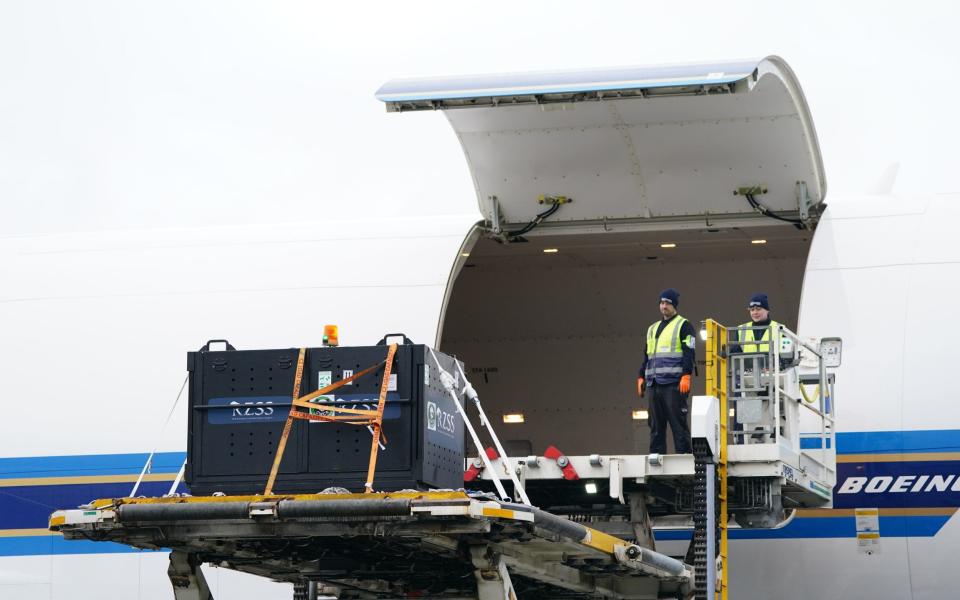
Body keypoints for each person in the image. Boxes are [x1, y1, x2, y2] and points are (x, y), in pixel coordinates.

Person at [637, 288, 696, 454]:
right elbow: (647, 355)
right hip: (654, 383)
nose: (664, 306)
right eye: (662, 303)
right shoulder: (652, 328)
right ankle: (657, 461)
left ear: (674, 305)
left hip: (674, 383)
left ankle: (684, 461)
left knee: (678, 425)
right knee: (655, 426)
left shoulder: (684, 325)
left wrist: (686, 374)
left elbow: (689, 352)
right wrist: (641, 376)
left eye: (667, 303)